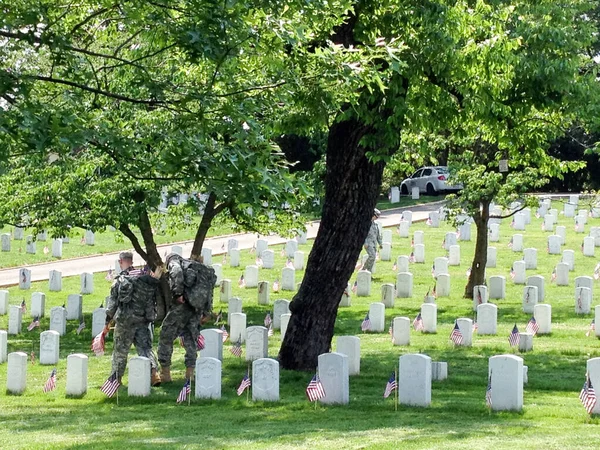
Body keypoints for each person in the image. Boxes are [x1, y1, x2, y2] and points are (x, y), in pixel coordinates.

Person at [105, 251, 162, 386]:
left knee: (120, 351)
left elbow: (113, 304)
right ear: (132, 261)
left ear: (121, 262)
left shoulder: (121, 280)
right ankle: (154, 374)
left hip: (125, 322)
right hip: (142, 319)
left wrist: (107, 321)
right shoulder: (144, 278)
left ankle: (116, 380)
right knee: (145, 348)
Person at [158, 253, 217, 382]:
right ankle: (190, 373)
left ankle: (165, 374)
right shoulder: (201, 269)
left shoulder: (175, 261)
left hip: (182, 305)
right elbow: (209, 291)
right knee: (191, 339)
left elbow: (177, 272)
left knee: (166, 335)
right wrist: (206, 311)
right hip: (196, 307)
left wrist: (177, 293)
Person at [362, 208, 382, 273]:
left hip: (374, 243)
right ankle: (364, 270)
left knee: (373, 258)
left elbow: (378, 235)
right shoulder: (366, 224)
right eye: (376, 216)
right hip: (368, 243)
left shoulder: (375, 224)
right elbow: (363, 234)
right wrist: (365, 243)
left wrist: (380, 243)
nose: (377, 218)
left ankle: (367, 272)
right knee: (372, 256)